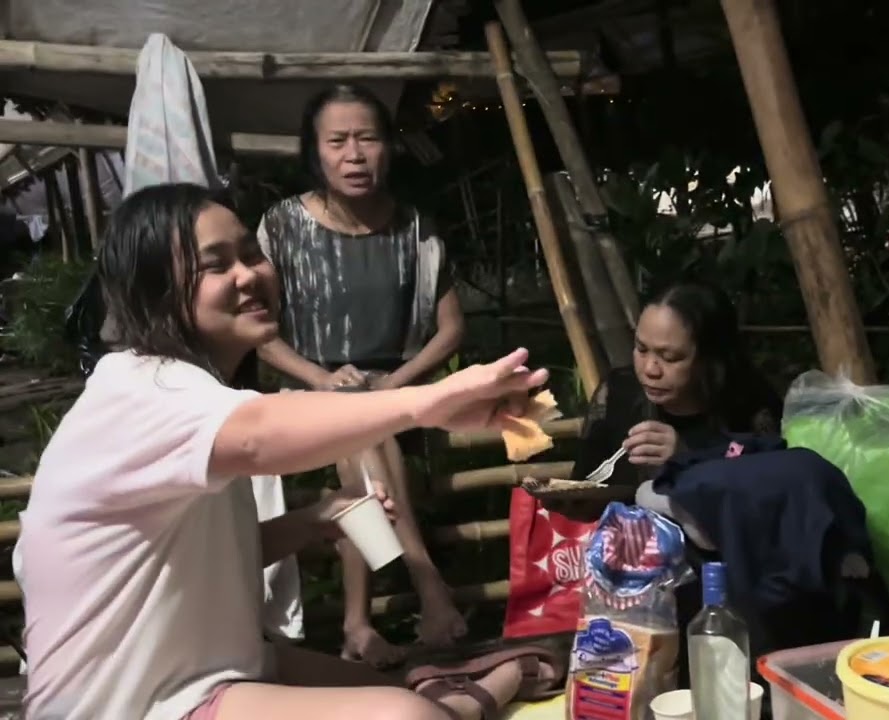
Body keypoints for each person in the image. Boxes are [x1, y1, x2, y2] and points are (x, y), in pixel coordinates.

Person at [16, 183, 552, 720]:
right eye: (216, 265)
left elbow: (205, 557)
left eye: (251, 254)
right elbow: (257, 434)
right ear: (155, 289)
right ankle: (474, 698)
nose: (249, 274)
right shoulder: (143, 389)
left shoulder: (190, 392)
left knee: (396, 697)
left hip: (203, 673)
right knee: (407, 718)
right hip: (123, 707)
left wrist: (318, 520)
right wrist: (429, 402)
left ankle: (467, 698)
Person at [255, 84, 465, 666]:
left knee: (361, 438)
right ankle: (429, 584)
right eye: (338, 141)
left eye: (368, 139)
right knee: (359, 426)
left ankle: (355, 626)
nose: (354, 154)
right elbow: (261, 333)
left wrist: (394, 386)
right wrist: (321, 381)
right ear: (314, 151)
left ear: (389, 148)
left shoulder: (415, 229)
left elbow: (450, 331)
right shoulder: (282, 226)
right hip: (304, 395)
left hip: (392, 398)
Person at [551, 281, 782, 518]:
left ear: (710, 358)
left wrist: (687, 460)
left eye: (669, 357)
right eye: (641, 349)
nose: (650, 369)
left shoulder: (750, 405)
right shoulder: (621, 392)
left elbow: (767, 508)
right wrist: (568, 499)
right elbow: (587, 485)